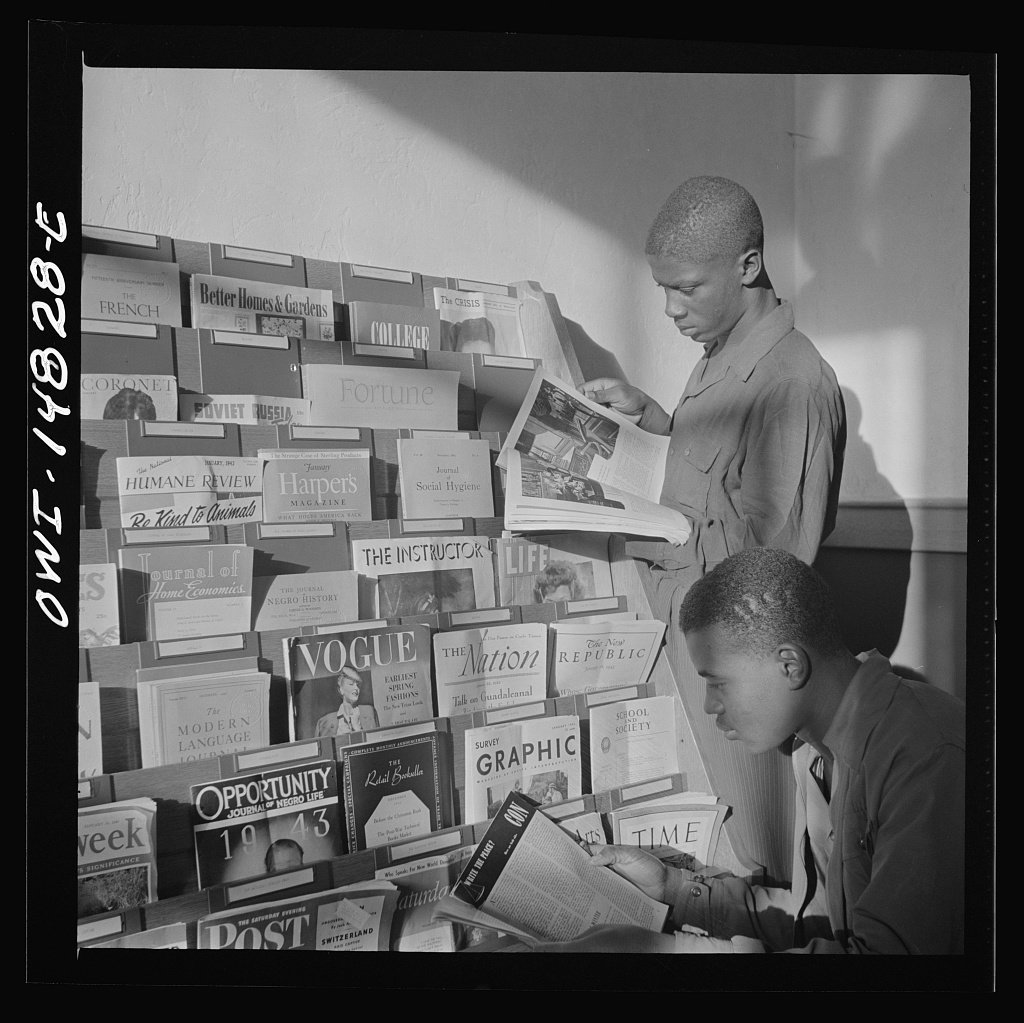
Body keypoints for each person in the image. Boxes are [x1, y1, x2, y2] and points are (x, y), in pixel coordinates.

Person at [534, 548, 965, 954]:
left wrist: (665, 952)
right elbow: (815, 924)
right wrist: (672, 889)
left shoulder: (927, 755)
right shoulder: (810, 752)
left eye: (718, 682)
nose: (709, 706)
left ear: (790, 665)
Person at [582, 175, 845, 604]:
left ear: (748, 267)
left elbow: (773, 564)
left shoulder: (791, 384)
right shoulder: (722, 350)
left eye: (686, 288)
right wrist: (650, 419)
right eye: (663, 288)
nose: (671, 308)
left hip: (722, 645)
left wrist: (642, 534)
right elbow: (718, 489)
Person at [313, 666, 379, 738]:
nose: (356, 688)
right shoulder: (324, 722)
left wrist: (357, 727)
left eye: (357, 685)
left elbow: (377, 743)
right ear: (341, 690)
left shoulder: (369, 712)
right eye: (351, 684)